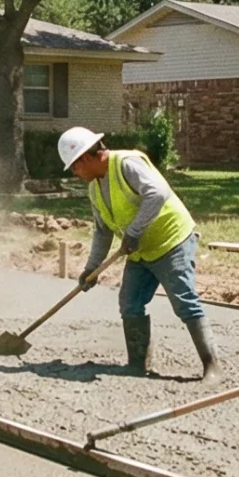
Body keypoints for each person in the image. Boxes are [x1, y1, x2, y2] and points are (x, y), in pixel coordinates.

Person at [60, 126, 215, 379]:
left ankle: (212, 367)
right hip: (140, 251)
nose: (75, 173)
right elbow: (102, 231)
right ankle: (137, 364)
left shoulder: (126, 163)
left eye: (74, 167)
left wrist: (133, 231)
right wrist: (92, 268)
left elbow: (158, 193)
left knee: (184, 301)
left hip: (170, 241)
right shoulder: (94, 189)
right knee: (130, 303)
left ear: (86, 157)